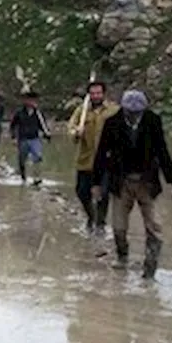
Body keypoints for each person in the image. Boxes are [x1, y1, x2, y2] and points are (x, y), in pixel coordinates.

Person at [91, 90, 172, 279]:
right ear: (123, 109)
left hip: (146, 182)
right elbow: (101, 154)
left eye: (138, 112)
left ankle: (150, 269)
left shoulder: (152, 121)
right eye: (130, 112)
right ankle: (122, 256)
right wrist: (96, 183)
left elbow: (162, 151)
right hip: (121, 182)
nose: (134, 115)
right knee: (119, 227)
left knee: (154, 226)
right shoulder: (112, 123)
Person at [68, 80, 121, 234]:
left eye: (98, 93)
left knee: (103, 193)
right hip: (85, 159)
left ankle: (100, 223)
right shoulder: (81, 111)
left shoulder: (113, 110)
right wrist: (76, 132)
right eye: (92, 93)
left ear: (103, 94)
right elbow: (71, 127)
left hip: (106, 160)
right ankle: (91, 217)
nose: (96, 96)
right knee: (81, 192)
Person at [9, 90, 50, 185]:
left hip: (35, 138)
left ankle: (37, 178)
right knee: (22, 159)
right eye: (29, 99)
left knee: (38, 156)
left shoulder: (38, 113)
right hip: (22, 139)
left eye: (33, 100)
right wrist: (13, 138)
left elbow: (43, 125)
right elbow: (13, 126)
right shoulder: (19, 113)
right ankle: (23, 178)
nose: (31, 102)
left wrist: (47, 134)